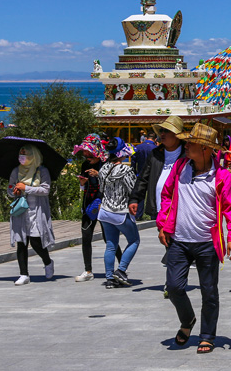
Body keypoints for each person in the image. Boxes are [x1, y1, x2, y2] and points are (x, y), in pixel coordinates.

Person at [158, 123, 231, 354]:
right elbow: (167, 195)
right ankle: (187, 320)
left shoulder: (222, 176)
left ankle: (207, 335)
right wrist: (163, 224)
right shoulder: (180, 167)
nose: (186, 146)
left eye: (191, 143)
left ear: (205, 149)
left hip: (207, 243)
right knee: (174, 287)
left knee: (209, 291)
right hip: (179, 241)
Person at [72, 134, 121, 282]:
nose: (86, 155)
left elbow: (113, 184)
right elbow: (84, 187)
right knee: (86, 236)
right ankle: (88, 270)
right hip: (89, 205)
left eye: (89, 152)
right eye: (84, 152)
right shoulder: (85, 165)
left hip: (105, 205)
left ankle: (122, 266)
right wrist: (82, 182)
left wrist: (99, 174)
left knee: (109, 238)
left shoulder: (107, 164)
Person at [8, 144, 54, 286]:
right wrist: (14, 192)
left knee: (35, 242)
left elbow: (45, 190)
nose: (22, 157)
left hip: (37, 211)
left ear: (33, 156)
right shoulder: (16, 171)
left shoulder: (42, 171)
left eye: (25, 154)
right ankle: (24, 274)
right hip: (21, 212)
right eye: (20, 154)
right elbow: (10, 189)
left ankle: (48, 262)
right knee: (21, 243)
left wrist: (26, 188)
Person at [98, 138, 140, 288]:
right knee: (134, 240)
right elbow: (133, 189)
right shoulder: (125, 170)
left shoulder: (103, 169)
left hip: (104, 211)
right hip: (120, 211)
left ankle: (109, 278)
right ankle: (121, 270)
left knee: (111, 245)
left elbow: (101, 190)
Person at [130, 116, 186, 221]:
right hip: (159, 211)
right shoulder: (155, 154)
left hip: (181, 211)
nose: (162, 134)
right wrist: (134, 199)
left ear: (178, 135)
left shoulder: (188, 154)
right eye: (161, 130)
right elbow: (143, 178)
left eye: (167, 131)